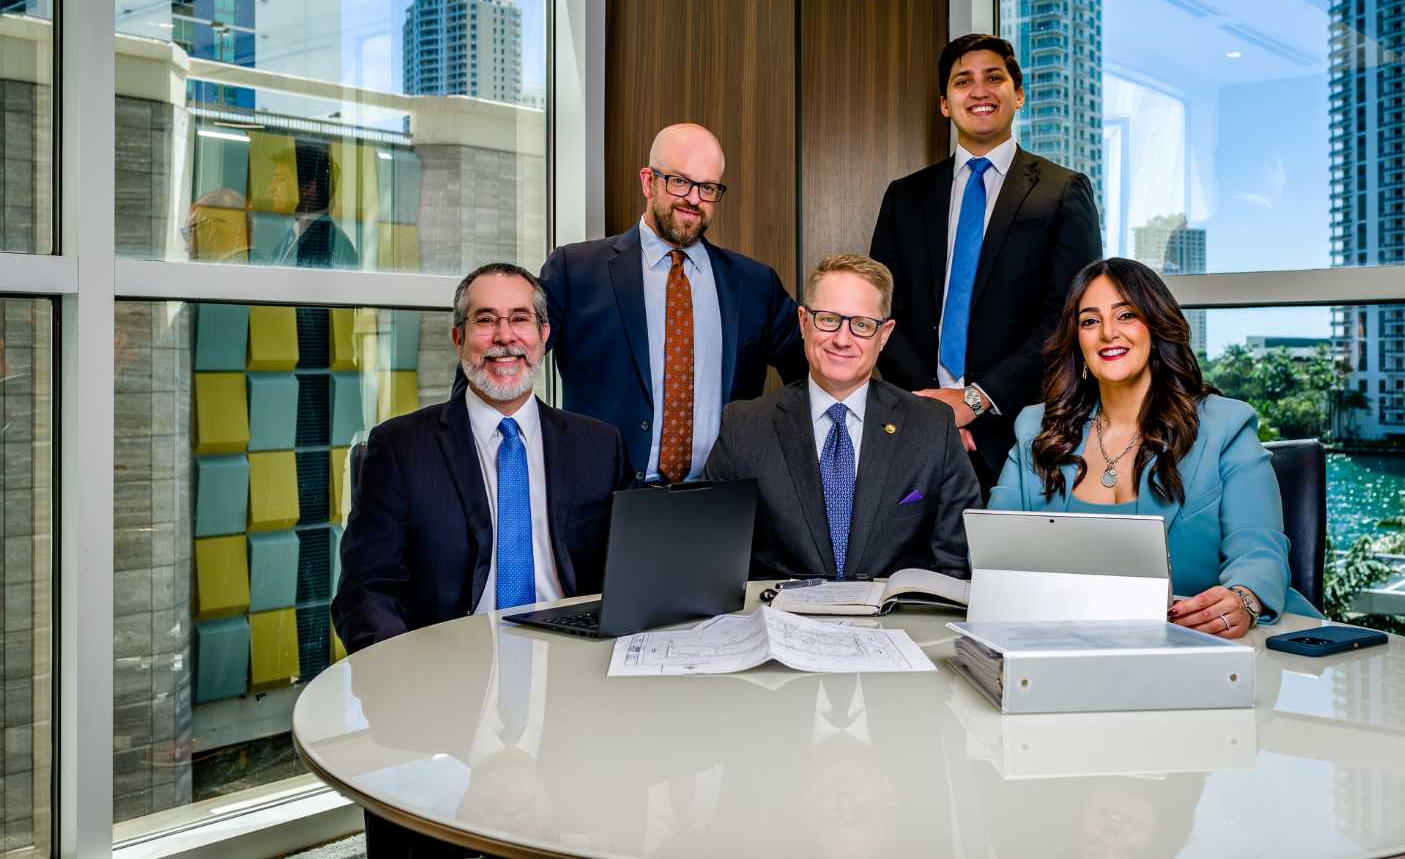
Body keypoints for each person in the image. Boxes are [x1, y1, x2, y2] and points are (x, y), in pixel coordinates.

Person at [334, 261, 631, 858]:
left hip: (571, 678)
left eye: (519, 320)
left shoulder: (599, 444)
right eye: (485, 321)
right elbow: (365, 589)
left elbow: (629, 575)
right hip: (447, 678)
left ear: (544, 336)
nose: (504, 338)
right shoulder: (400, 447)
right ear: (458, 337)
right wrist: (406, 672)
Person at [987, 257, 1320, 634]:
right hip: (1064, 640)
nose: (1108, 332)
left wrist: (1243, 599)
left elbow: (1259, 549)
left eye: (1126, 315)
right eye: (1090, 321)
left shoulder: (1225, 426)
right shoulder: (1035, 428)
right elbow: (994, 553)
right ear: (1077, 341)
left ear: (1156, 326)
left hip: (1207, 645)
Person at [460, 122, 805, 484]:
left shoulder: (755, 284)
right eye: (679, 181)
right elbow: (502, 352)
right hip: (600, 494)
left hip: (721, 496)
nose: (693, 198)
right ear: (648, 181)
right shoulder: (575, 271)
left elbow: (814, 372)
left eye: (707, 187)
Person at [870, 34, 1101, 494]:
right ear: (944, 103)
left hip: (1021, 432)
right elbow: (881, 309)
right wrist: (934, 411)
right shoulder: (905, 196)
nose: (979, 90)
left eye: (994, 78)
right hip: (917, 430)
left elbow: (1068, 315)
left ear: (1018, 95)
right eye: (963, 81)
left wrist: (974, 400)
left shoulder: (1061, 191)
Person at [705, 253, 976, 579]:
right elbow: (712, 560)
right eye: (828, 319)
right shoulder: (744, 428)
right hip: (779, 610)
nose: (842, 340)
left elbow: (956, 567)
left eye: (862, 325)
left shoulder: (933, 427)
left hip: (895, 612)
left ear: (884, 335)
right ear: (804, 322)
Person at [264, 141, 358, 268]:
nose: (270, 188)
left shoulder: (327, 244)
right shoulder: (294, 235)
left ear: (308, 188)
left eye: (280, 178)